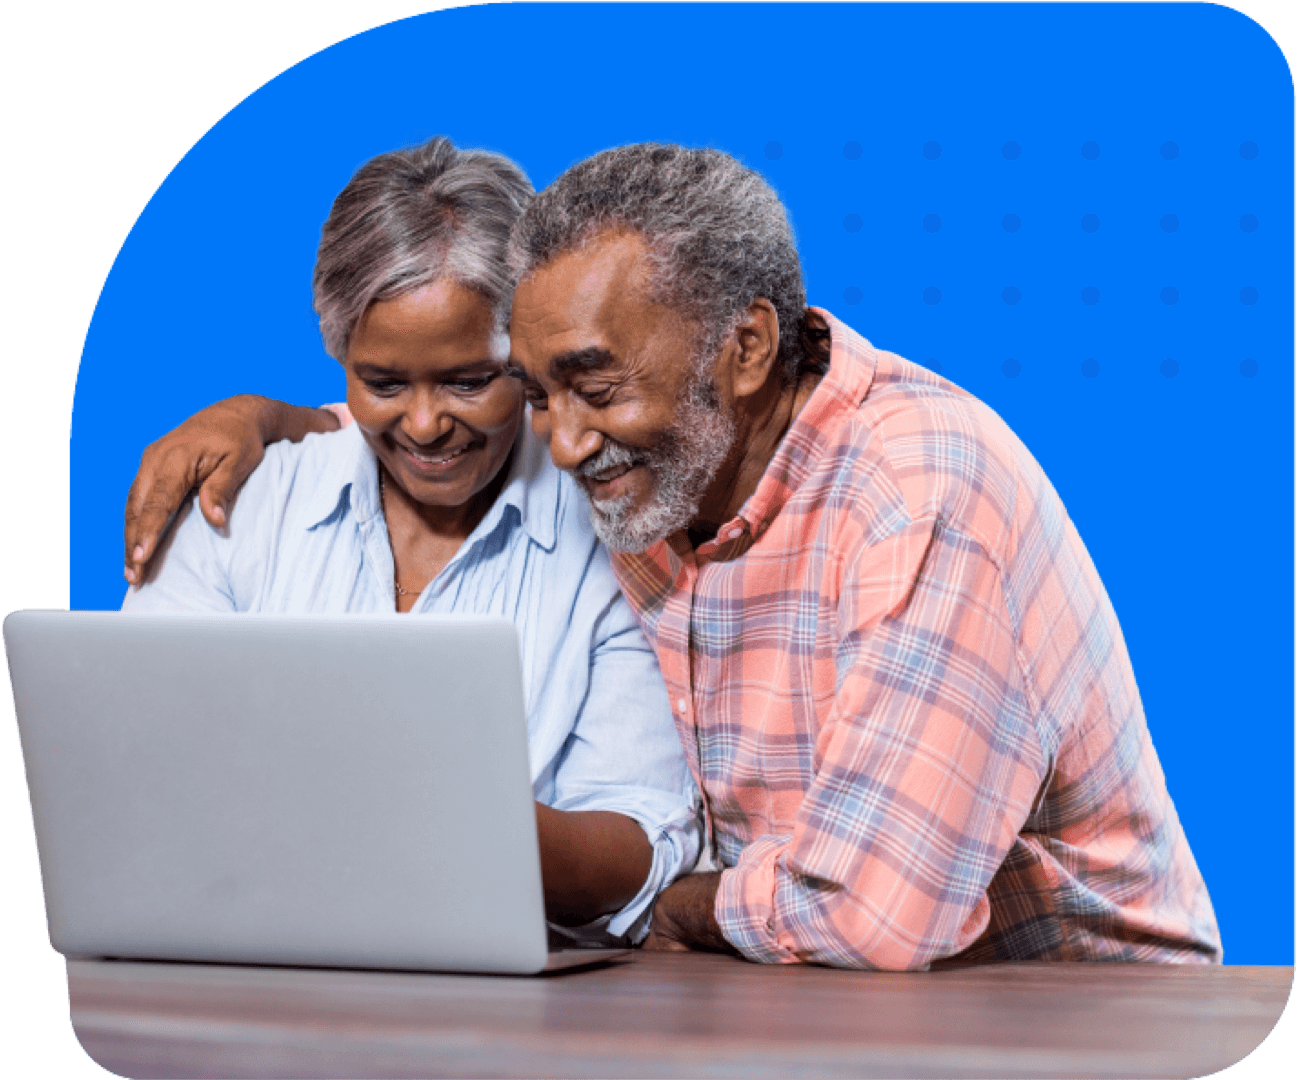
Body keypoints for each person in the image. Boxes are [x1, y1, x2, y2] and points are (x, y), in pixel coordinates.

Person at [124, 144, 1220, 971]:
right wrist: (268, 419)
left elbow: (873, 916)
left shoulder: (919, 494)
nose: (557, 441)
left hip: (1068, 1014)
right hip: (791, 1003)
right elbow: (425, 410)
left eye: (589, 388)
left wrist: (685, 905)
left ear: (744, 349)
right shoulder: (665, 469)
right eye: (541, 393)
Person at [122, 137, 701, 946]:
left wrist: (443, 818)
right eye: (383, 384)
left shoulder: (613, 533)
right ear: (341, 362)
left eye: (470, 381)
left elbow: (644, 834)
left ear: (530, 354)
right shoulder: (237, 504)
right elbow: (134, 768)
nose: (425, 427)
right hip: (236, 959)